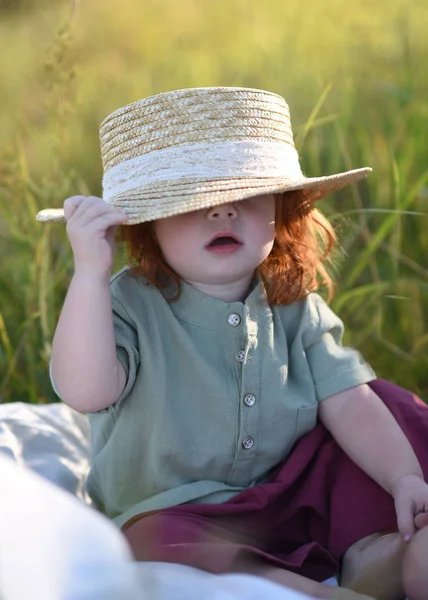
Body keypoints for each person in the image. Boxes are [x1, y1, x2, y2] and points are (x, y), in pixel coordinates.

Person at [37, 87, 428, 600]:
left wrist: (402, 478)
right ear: (148, 225)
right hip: (180, 507)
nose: (223, 213)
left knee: (382, 407)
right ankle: (302, 588)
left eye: (245, 196)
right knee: (157, 543)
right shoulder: (129, 302)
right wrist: (90, 273)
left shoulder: (292, 303)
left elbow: (347, 400)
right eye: (193, 201)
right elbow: (85, 391)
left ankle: (379, 551)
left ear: (281, 209)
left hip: (292, 489)